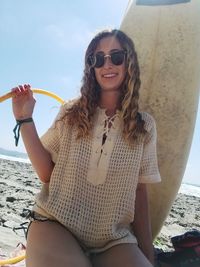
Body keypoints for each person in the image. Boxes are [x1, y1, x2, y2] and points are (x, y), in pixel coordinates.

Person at [12, 29, 161, 267]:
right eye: (97, 59)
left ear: (129, 61)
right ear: (91, 67)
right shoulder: (71, 113)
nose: (107, 64)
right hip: (56, 225)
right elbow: (46, 173)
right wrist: (25, 119)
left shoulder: (145, 126)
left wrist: (147, 253)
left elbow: (139, 192)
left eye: (116, 56)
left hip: (112, 239)